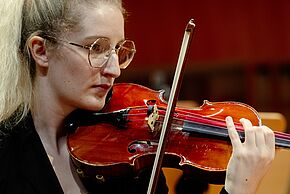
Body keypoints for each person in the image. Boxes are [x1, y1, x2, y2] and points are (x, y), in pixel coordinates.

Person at [0, 0, 275, 194]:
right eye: (97, 48)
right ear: (41, 51)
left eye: (119, 50)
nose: (114, 68)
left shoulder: (125, 153)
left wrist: (238, 188)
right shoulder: (7, 154)